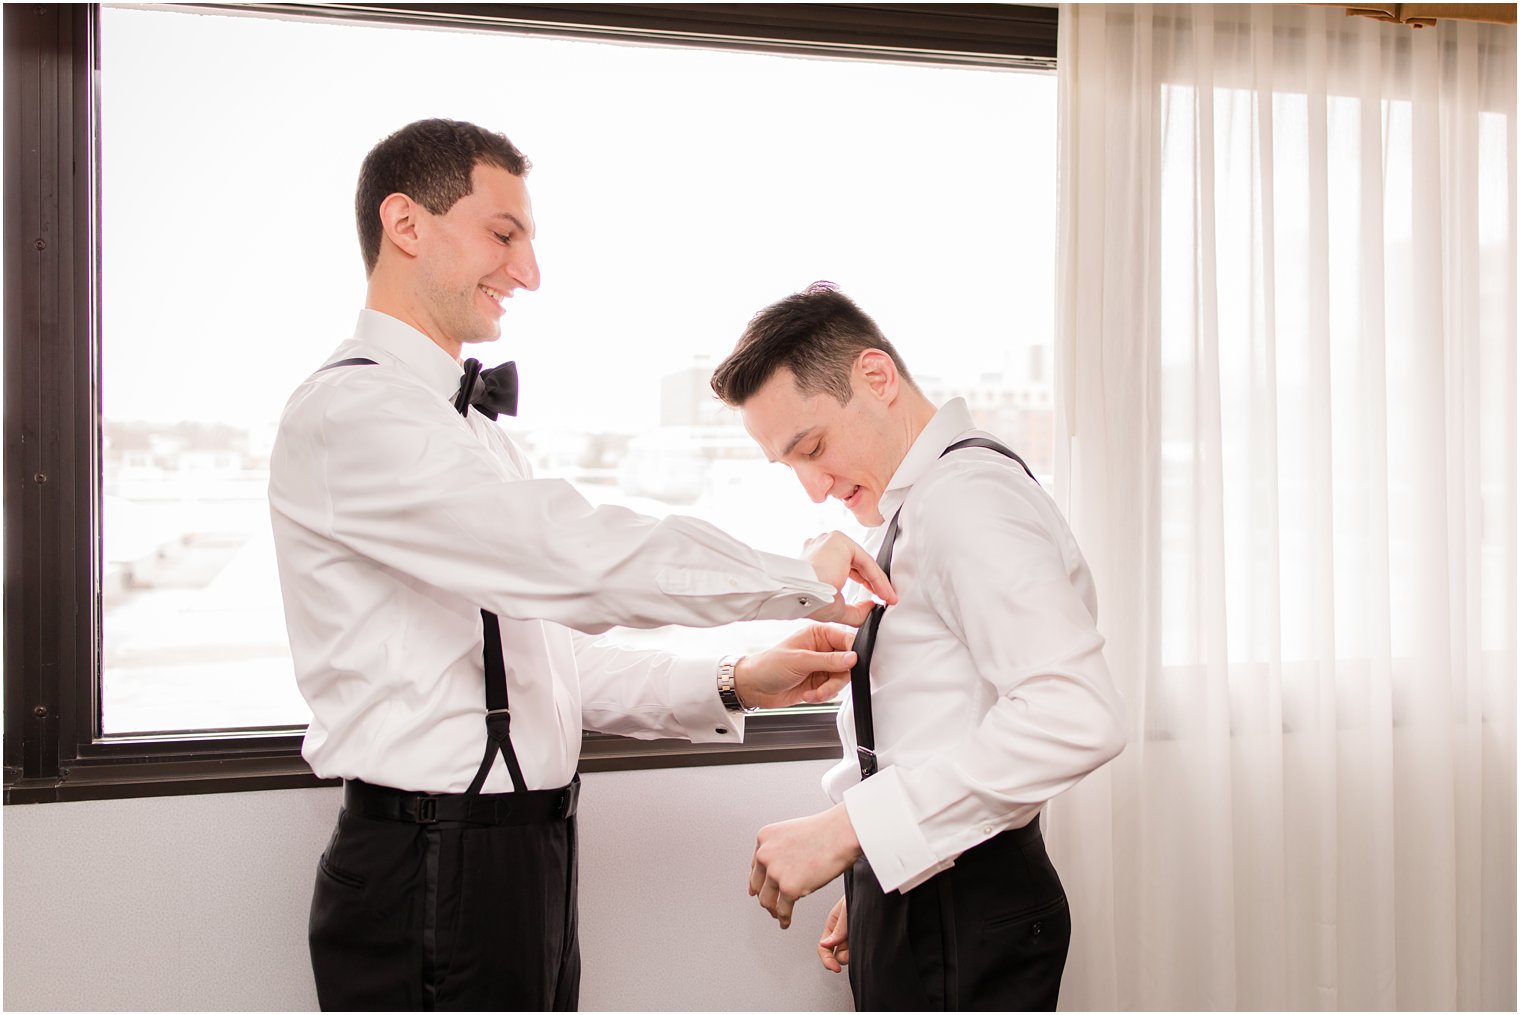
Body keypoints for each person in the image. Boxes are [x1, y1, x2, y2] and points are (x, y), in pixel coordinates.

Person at [268, 121, 895, 1012]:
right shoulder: (352, 416)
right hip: (427, 864)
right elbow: (574, 554)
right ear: (404, 224)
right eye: (503, 233)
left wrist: (736, 678)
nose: (529, 273)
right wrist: (793, 571)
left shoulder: (474, 434)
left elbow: (548, 666)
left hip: (525, 859)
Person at [711, 283, 1126, 1011]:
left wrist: (850, 830)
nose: (813, 488)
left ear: (877, 377)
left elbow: (1075, 715)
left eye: (812, 448)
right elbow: (940, 723)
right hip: (928, 887)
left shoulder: (968, 500)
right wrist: (884, 867)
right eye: (789, 466)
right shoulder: (917, 502)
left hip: (966, 907)